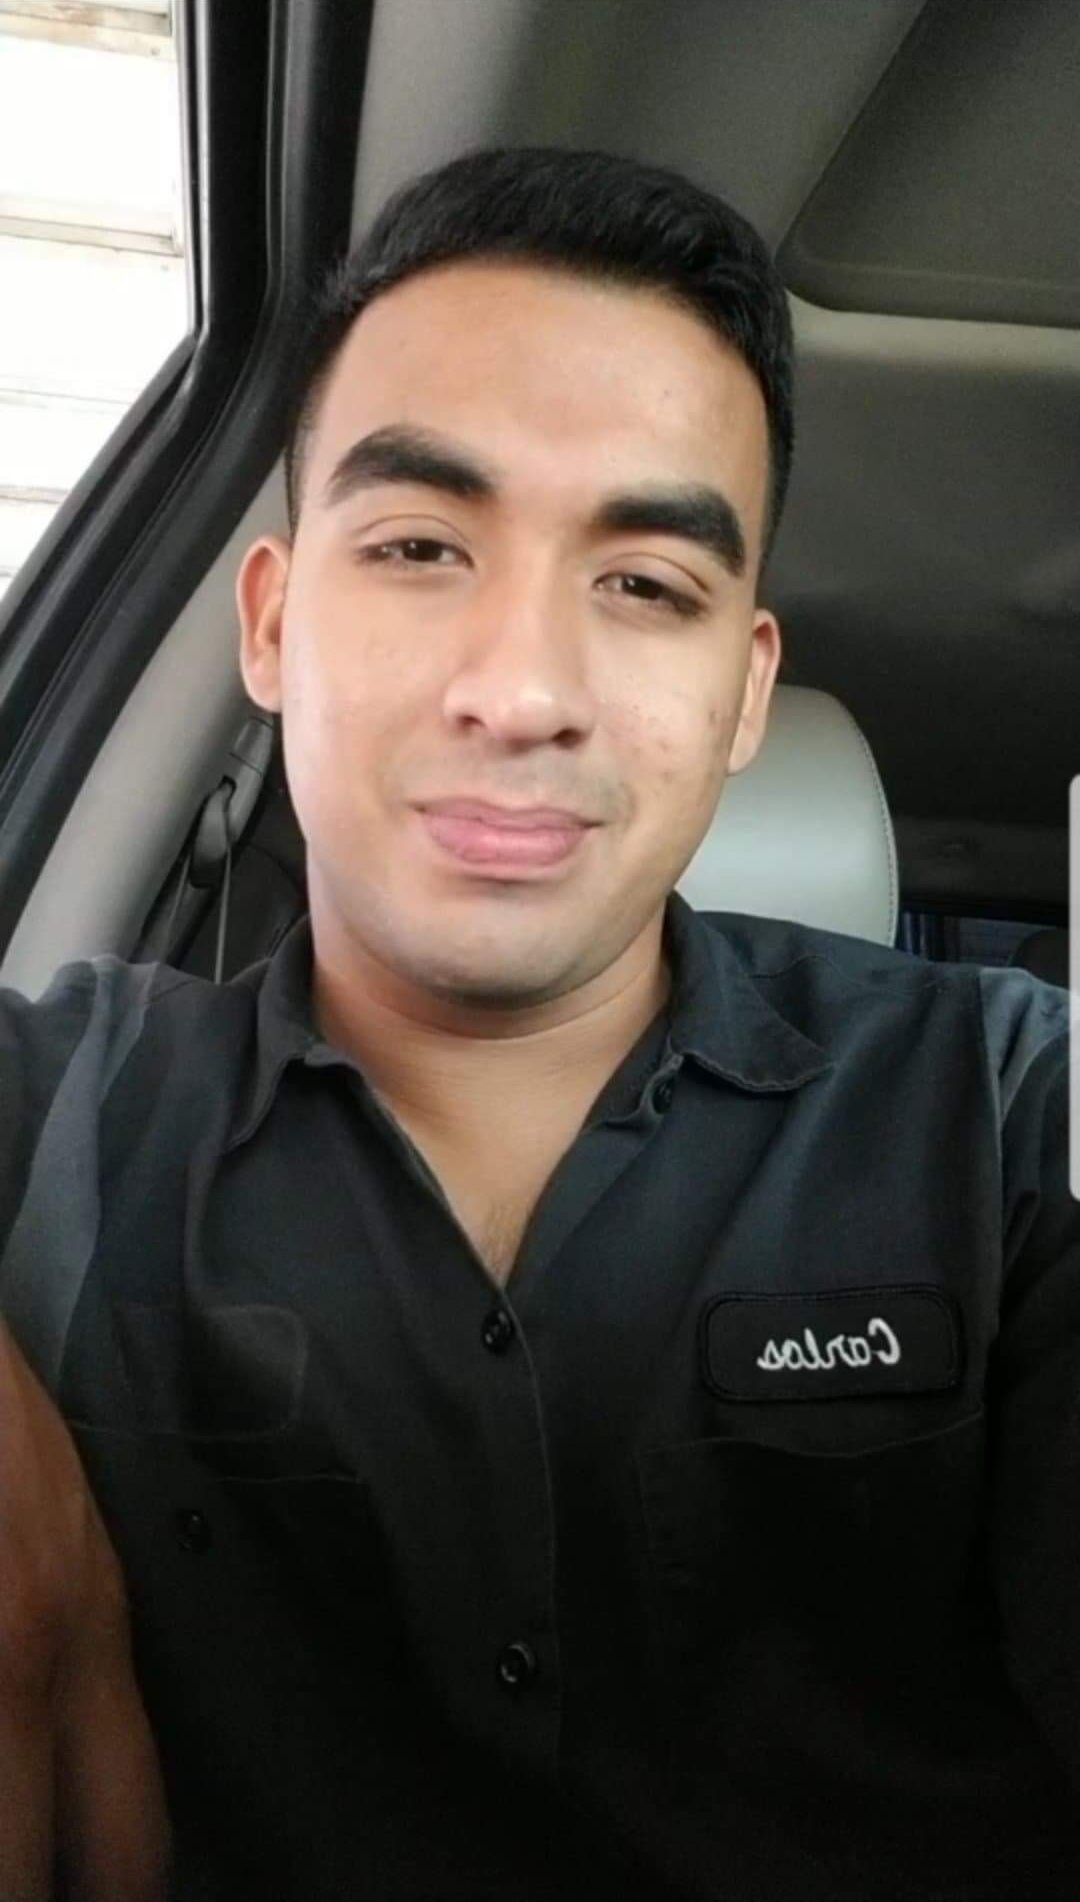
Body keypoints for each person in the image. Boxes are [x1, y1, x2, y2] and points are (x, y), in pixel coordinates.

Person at [1, 143, 1078, 1902]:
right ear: (272, 624)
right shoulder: (52, 1114)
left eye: (646, 584)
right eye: (422, 545)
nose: (522, 691)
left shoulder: (1013, 1104)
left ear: (744, 690)